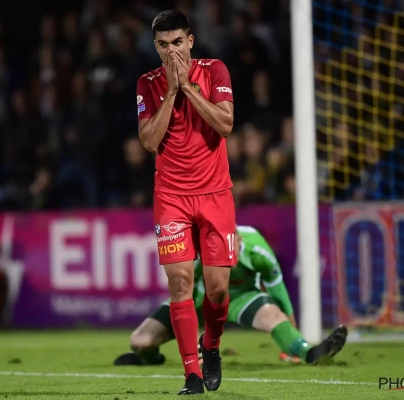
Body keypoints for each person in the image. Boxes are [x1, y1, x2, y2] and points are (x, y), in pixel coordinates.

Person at [136, 10, 237, 395]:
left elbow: (225, 125)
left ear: (190, 41)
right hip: (172, 197)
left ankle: (210, 345)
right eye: (163, 45)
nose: (171, 51)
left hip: (215, 194)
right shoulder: (147, 84)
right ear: (156, 47)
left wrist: (189, 88)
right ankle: (191, 374)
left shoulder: (215, 71)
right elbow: (149, 141)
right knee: (180, 283)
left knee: (217, 291)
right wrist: (172, 92)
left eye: (177, 42)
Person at [114, 226, 348, 367]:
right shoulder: (198, 250)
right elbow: (184, 296)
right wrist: (195, 344)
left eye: (231, 251)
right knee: (140, 341)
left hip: (240, 297)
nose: (226, 258)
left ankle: (310, 353)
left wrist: (292, 339)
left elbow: (279, 293)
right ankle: (151, 358)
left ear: (239, 241)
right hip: (198, 300)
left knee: (273, 315)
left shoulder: (258, 250)